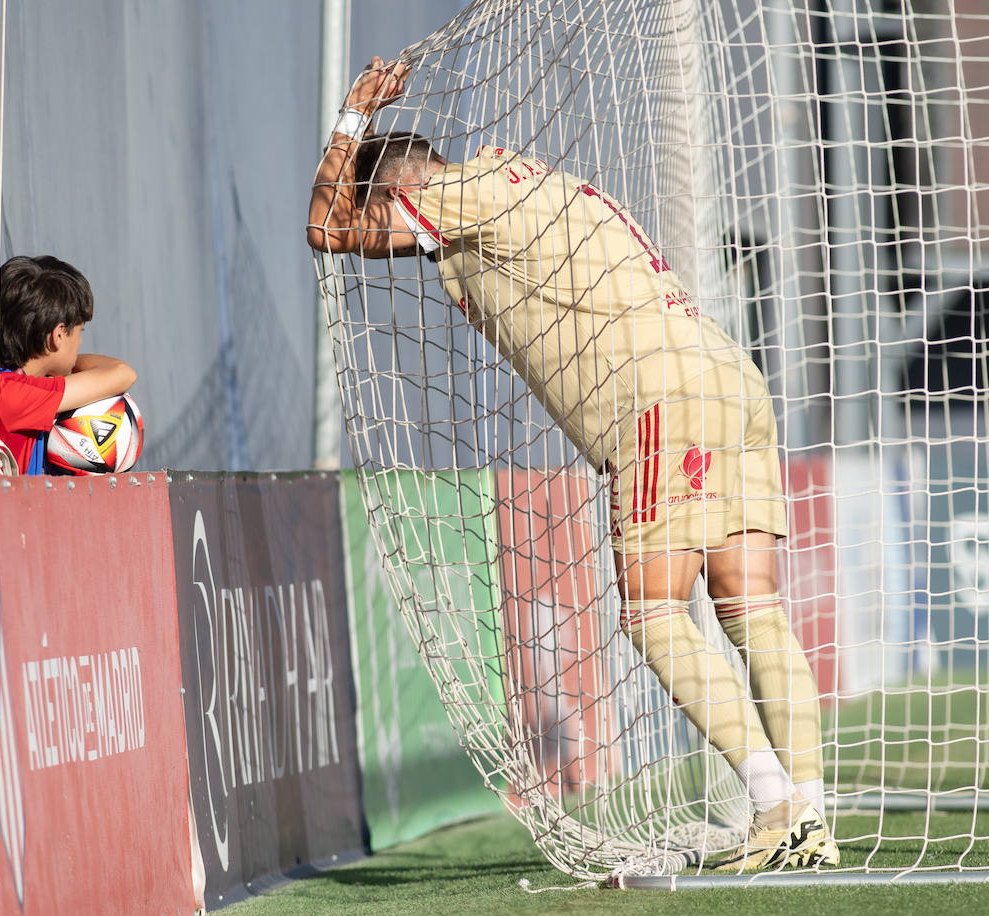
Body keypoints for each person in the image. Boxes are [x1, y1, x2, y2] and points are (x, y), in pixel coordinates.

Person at [308, 57, 836, 872]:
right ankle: (810, 816)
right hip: (728, 376)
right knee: (751, 606)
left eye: (390, 213)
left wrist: (350, 119)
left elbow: (327, 228)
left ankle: (775, 807)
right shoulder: (535, 183)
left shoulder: (455, 195)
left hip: (654, 403)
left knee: (654, 616)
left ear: (399, 191)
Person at [0, 255, 136, 475]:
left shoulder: (0, 385)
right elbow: (122, 374)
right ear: (58, 335)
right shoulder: (10, 395)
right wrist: (66, 367)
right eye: (79, 332)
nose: (79, 342)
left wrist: (55, 367)